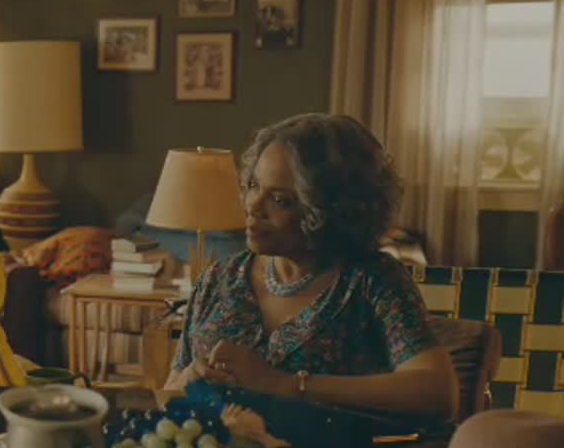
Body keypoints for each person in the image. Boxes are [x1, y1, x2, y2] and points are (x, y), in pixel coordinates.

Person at [164, 113, 458, 418]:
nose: (253, 206)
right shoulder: (218, 278)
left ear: (331, 210)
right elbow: (167, 396)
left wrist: (287, 385)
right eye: (253, 185)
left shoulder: (373, 280)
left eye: (280, 200)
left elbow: (439, 394)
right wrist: (187, 381)